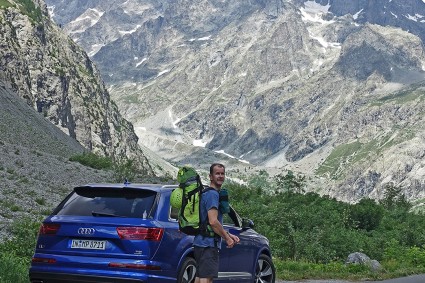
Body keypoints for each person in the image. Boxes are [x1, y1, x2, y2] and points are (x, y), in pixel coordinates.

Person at [193, 163, 240, 283]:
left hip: (201, 242)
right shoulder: (213, 194)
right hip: (208, 244)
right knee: (206, 279)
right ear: (210, 176)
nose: (220, 176)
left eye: (222, 173)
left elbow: (210, 222)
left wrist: (228, 234)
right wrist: (227, 239)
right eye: (217, 173)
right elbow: (213, 222)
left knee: (199, 278)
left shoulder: (207, 193)